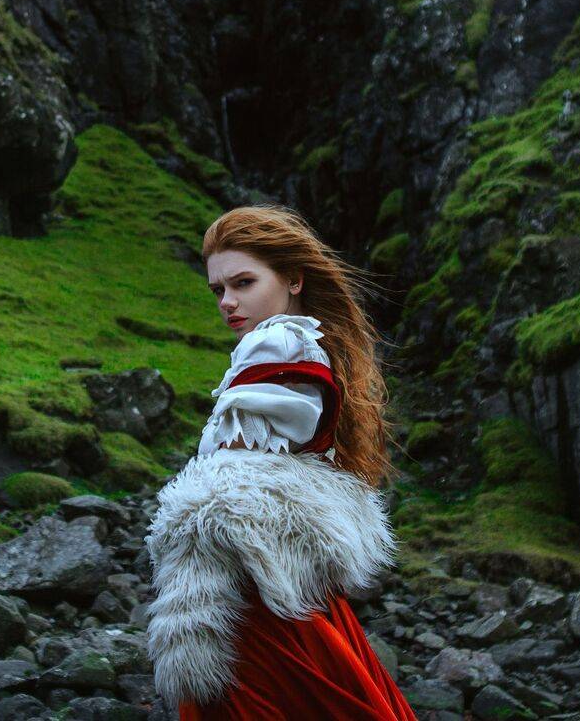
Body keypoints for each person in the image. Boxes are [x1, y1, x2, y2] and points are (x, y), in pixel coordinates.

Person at [144, 204, 418, 720]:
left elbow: (236, 479)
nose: (228, 302)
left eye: (244, 283)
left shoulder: (279, 344)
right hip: (278, 580)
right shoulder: (303, 345)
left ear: (294, 278)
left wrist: (190, 530)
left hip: (253, 590)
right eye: (218, 290)